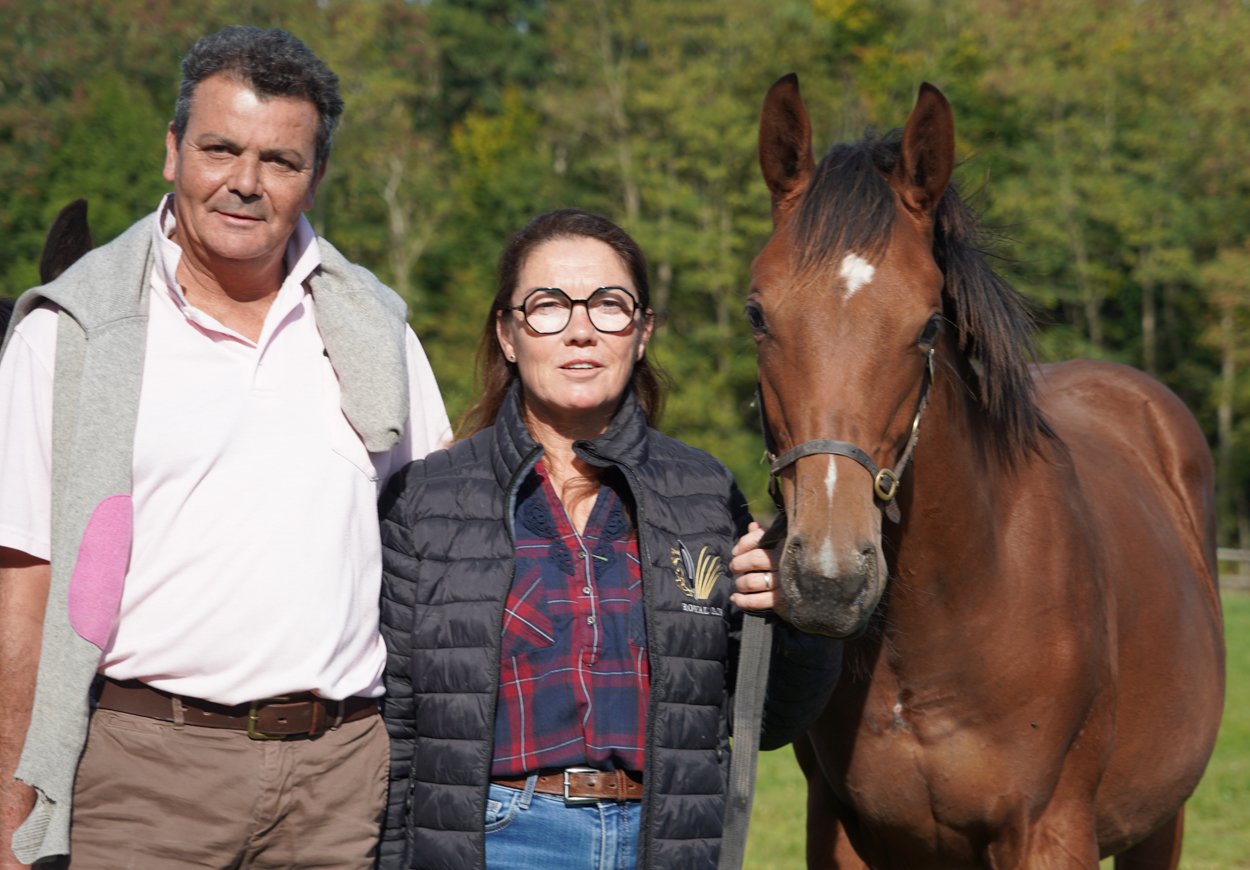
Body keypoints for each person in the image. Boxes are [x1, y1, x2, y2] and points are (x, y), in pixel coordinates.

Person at [0, 26, 450, 869]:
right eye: (220, 149)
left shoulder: (376, 334)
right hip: (144, 773)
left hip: (339, 780)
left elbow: (439, 547)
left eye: (280, 160)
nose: (245, 182)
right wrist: (7, 815)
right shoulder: (70, 335)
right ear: (173, 151)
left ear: (316, 176)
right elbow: (22, 588)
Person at [377, 208, 839, 869]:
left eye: (608, 305)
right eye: (548, 306)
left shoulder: (703, 494)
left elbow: (765, 719)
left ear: (642, 332)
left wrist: (798, 620)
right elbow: (393, 728)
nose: (581, 329)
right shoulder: (430, 500)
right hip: (501, 840)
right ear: (508, 335)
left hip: (665, 844)